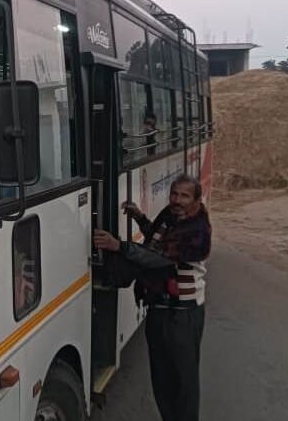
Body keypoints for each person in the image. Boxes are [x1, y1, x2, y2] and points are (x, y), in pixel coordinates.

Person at [93, 174, 211, 421]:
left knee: (183, 381)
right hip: (158, 307)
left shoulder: (197, 229)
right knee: (161, 375)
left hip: (182, 314)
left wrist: (120, 246)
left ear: (197, 201)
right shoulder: (170, 215)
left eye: (184, 196)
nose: (177, 200)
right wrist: (140, 218)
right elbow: (156, 239)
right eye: (174, 194)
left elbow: (159, 257)